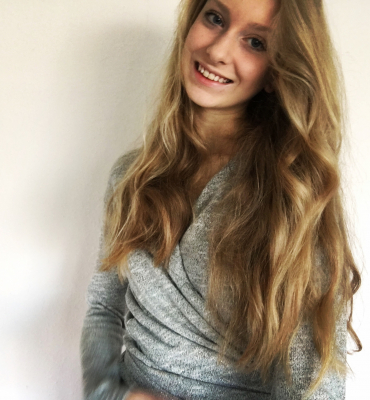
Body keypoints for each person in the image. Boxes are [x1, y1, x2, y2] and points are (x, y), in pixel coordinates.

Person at [80, 0, 362, 399]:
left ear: (276, 71)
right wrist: (108, 393)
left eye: (256, 42)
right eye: (215, 18)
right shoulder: (132, 176)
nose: (217, 50)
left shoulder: (292, 199)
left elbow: (315, 390)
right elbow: (104, 307)